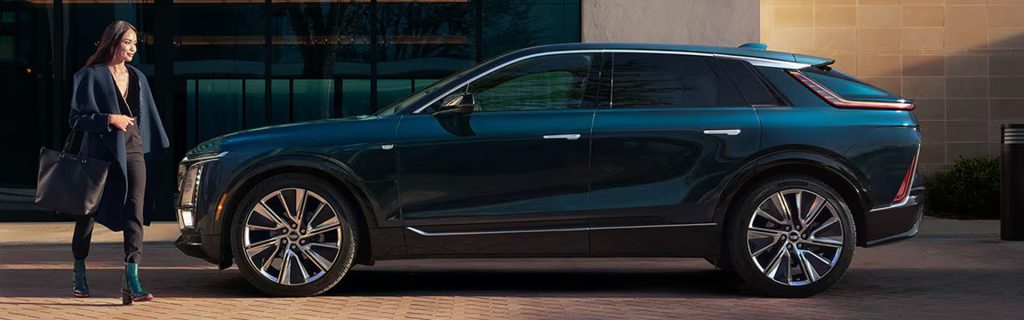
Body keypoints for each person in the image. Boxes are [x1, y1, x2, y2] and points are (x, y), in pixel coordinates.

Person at [67, 20, 169, 305]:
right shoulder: (90, 75)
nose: (133, 49)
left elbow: (147, 118)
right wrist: (108, 119)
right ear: (112, 43)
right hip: (99, 151)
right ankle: (78, 270)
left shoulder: (138, 77)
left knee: (135, 212)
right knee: (87, 213)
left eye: (135, 44)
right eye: (128, 43)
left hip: (133, 149)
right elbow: (75, 120)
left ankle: (132, 279)